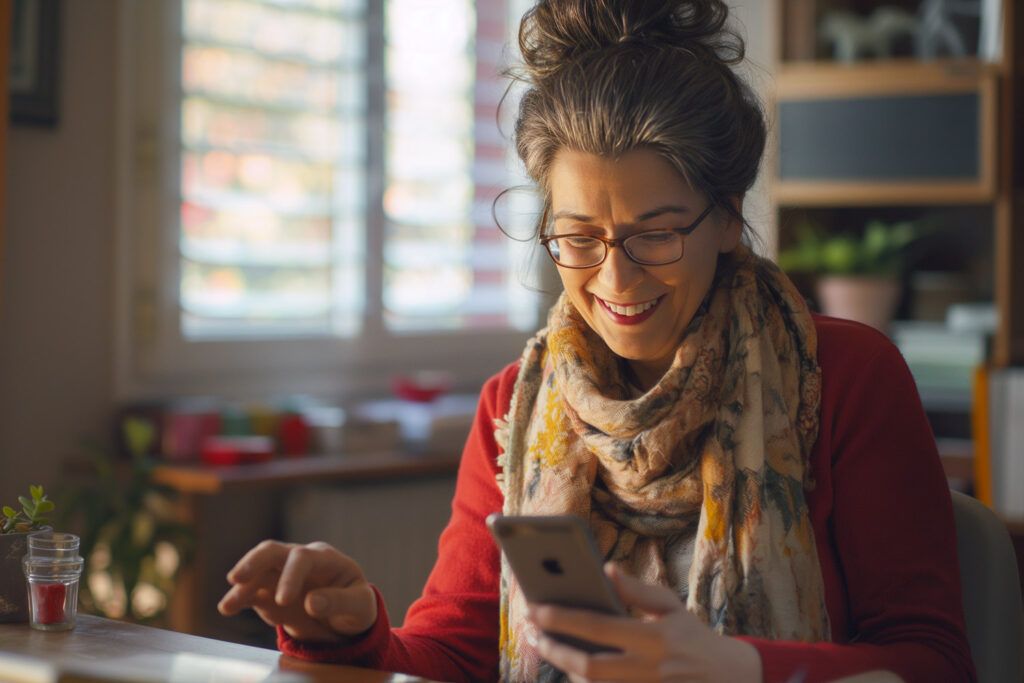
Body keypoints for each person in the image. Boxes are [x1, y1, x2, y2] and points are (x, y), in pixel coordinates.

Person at [217, 1, 977, 681]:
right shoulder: (513, 408)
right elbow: (454, 657)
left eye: (656, 233)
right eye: (579, 237)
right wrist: (350, 633)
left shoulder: (842, 379)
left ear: (726, 216)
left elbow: (933, 661)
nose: (615, 277)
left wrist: (740, 669)